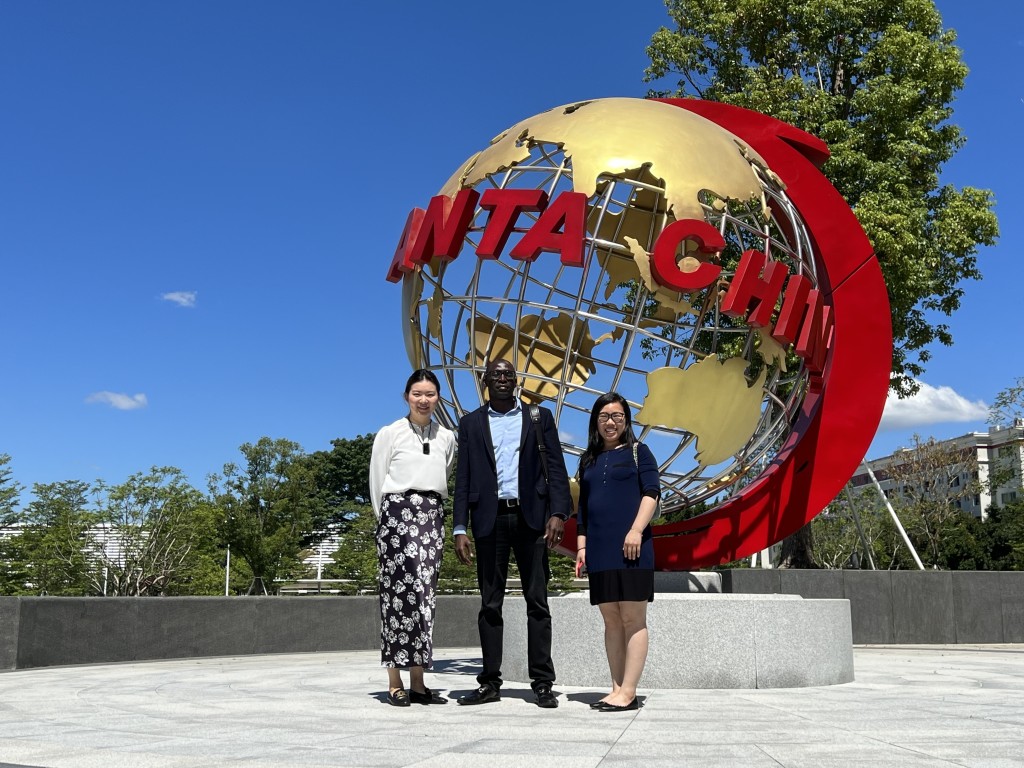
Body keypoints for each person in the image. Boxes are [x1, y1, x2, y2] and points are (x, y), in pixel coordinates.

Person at [452, 358, 571, 708]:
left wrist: (559, 512)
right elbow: (463, 479)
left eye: (508, 374)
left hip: (531, 519)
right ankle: (490, 682)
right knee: (490, 604)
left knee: (538, 602)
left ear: (516, 380)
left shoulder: (538, 418)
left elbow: (556, 469)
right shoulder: (470, 423)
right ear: (485, 380)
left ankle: (542, 683)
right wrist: (460, 526)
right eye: (496, 374)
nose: (502, 378)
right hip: (489, 521)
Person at [369, 369, 456, 707]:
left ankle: (418, 681)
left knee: (424, 598)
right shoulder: (390, 433)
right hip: (396, 516)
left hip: (431, 517)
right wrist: (386, 523)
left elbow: (443, 473)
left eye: (430, 394)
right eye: (417, 393)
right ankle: (395, 681)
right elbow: (378, 482)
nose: (424, 400)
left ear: (437, 398)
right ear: (407, 396)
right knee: (395, 598)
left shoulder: (447, 437)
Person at [574, 392, 659, 712]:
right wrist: (582, 547)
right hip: (600, 549)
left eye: (617, 416)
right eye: (604, 417)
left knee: (633, 619)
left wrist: (636, 530)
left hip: (633, 548)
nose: (611, 422)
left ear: (626, 421)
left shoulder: (640, 452)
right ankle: (616, 688)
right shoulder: (588, 460)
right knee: (611, 620)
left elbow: (651, 492)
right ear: (596, 421)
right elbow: (582, 509)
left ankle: (629, 691)